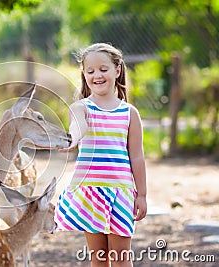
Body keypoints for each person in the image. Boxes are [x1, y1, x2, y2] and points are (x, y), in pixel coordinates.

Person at [55, 43, 147, 267]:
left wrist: (142, 195)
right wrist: (72, 139)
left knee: (121, 256)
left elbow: (137, 156)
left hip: (120, 192)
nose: (97, 75)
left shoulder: (129, 113)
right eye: (91, 71)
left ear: (117, 70)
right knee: (99, 256)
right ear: (84, 74)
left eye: (103, 69)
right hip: (91, 192)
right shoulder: (81, 107)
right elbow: (78, 127)